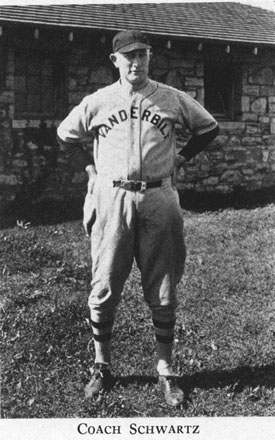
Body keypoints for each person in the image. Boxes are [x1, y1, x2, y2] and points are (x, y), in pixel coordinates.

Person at [57, 30, 219, 407]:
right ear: (115, 61)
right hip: (112, 197)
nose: (135, 62)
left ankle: (165, 369)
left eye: (142, 54)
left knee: (163, 286)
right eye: (127, 56)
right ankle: (102, 366)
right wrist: (88, 169)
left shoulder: (170, 97)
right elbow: (66, 135)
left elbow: (209, 127)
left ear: (150, 57)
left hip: (159, 196)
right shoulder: (98, 101)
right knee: (105, 283)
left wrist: (180, 158)